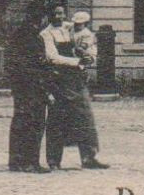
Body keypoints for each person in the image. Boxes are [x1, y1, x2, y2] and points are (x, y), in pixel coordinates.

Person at [43, 9, 107, 170]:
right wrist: (77, 62)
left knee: (85, 117)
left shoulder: (70, 27)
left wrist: (90, 55)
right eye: (55, 13)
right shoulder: (46, 33)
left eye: (61, 13)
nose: (59, 16)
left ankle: (89, 157)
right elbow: (53, 57)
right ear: (48, 15)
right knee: (57, 118)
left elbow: (88, 39)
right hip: (59, 79)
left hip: (77, 80)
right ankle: (53, 160)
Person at [6, 12, 50, 173]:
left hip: (21, 86)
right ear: (41, 18)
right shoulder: (33, 36)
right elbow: (35, 63)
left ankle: (16, 161)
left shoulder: (19, 33)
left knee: (20, 120)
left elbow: (13, 63)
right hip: (33, 86)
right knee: (35, 122)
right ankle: (32, 162)